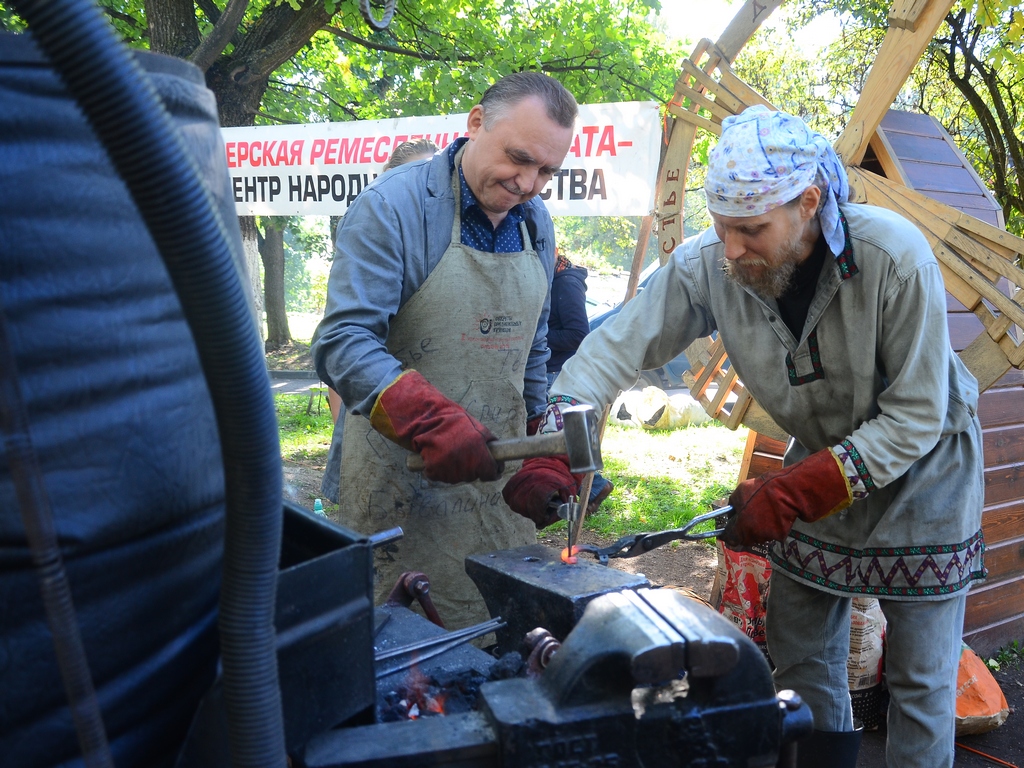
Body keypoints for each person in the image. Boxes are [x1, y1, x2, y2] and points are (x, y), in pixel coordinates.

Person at [504, 105, 986, 768]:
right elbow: (617, 344)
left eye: (751, 229)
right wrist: (561, 436)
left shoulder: (893, 258)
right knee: (803, 659)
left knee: (920, 681)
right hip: (816, 463)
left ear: (809, 203)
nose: (731, 248)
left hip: (926, 480)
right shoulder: (714, 261)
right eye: (721, 225)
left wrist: (793, 493)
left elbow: (914, 416)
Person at [312, 72, 578, 630]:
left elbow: (532, 350)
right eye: (518, 158)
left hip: (498, 492)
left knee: (506, 648)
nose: (529, 183)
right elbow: (343, 342)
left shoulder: (537, 223)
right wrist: (430, 420)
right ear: (476, 123)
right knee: (408, 659)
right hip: (399, 486)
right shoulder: (391, 208)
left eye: (546, 171)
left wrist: (541, 442)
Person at [322, 139, 439, 430]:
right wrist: (347, 432)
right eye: (413, 174)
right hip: (378, 421)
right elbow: (346, 344)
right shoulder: (375, 219)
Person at [546, 249, 612, 514]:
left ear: (555, 252)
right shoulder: (555, 279)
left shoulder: (567, 283)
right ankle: (587, 487)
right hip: (551, 368)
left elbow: (578, 334)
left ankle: (594, 485)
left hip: (559, 371)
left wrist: (537, 335)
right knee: (557, 432)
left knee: (560, 432)